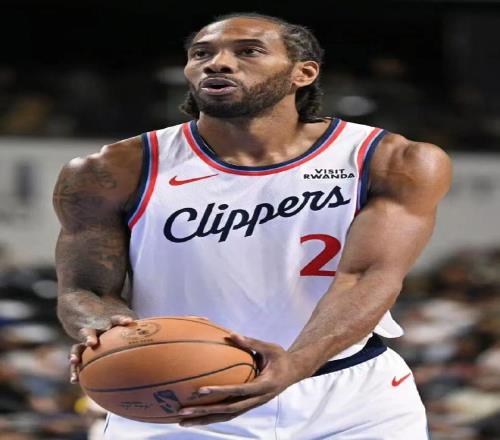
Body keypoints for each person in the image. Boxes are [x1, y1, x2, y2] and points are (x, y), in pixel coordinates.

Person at [53, 12, 452, 439]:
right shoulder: (111, 171)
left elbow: (367, 277)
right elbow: (86, 291)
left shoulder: (391, 161)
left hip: (349, 397)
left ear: (303, 73)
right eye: (201, 54)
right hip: (180, 392)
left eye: (248, 51)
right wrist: (111, 333)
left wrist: (295, 365)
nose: (217, 63)